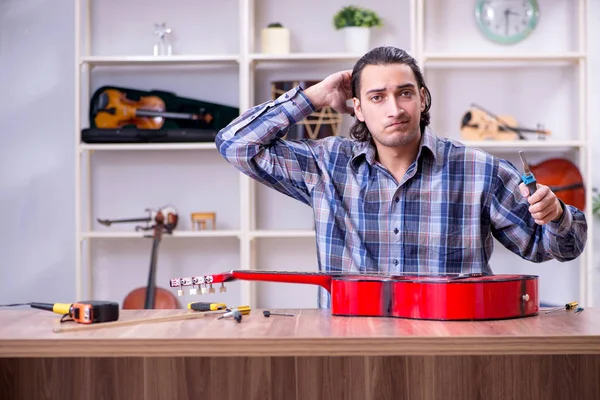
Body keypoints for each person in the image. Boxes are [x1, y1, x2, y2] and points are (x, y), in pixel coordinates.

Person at [215, 46, 587, 308]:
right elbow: (236, 144)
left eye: (404, 93)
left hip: (452, 348)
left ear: (422, 98)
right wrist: (315, 95)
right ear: (357, 108)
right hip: (349, 348)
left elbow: (556, 248)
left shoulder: (479, 170)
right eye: (377, 97)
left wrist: (556, 216)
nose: (394, 109)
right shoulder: (326, 165)